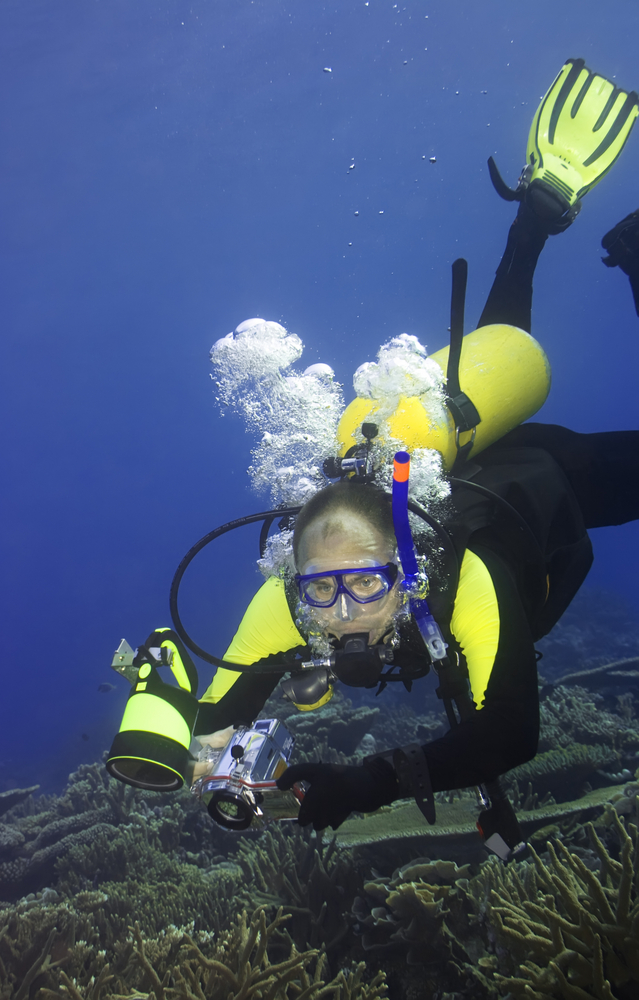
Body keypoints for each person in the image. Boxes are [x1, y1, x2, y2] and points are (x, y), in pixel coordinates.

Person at [110, 60, 639, 852]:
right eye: (323, 591)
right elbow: (214, 720)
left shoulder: (463, 571)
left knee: (487, 371)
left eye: (365, 581)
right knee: (462, 373)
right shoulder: (292, 603)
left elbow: (510, 733)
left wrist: (369, 782)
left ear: (408, 562)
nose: (344, 612)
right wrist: (175, 718)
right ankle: (532, 220)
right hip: (455, 461)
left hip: (549, 483)